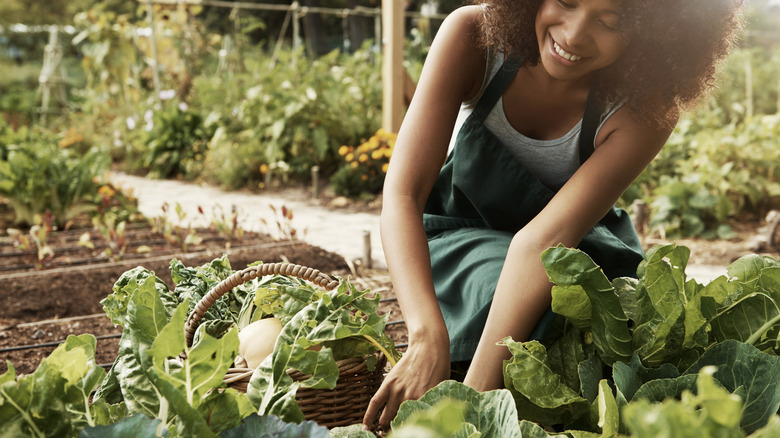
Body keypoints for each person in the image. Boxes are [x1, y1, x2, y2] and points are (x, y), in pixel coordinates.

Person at [363, 0, 744, 431]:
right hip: (461, 234)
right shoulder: (473, 36)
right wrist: (425, 335)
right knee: (510, 297)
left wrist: (470, 414)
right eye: (566, 1)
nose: (575, 34)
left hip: (568, 245)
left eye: (610, 21)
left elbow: (544, 245)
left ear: (652, 34)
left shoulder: (646, 109)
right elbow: (403, 194)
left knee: (605, 316)